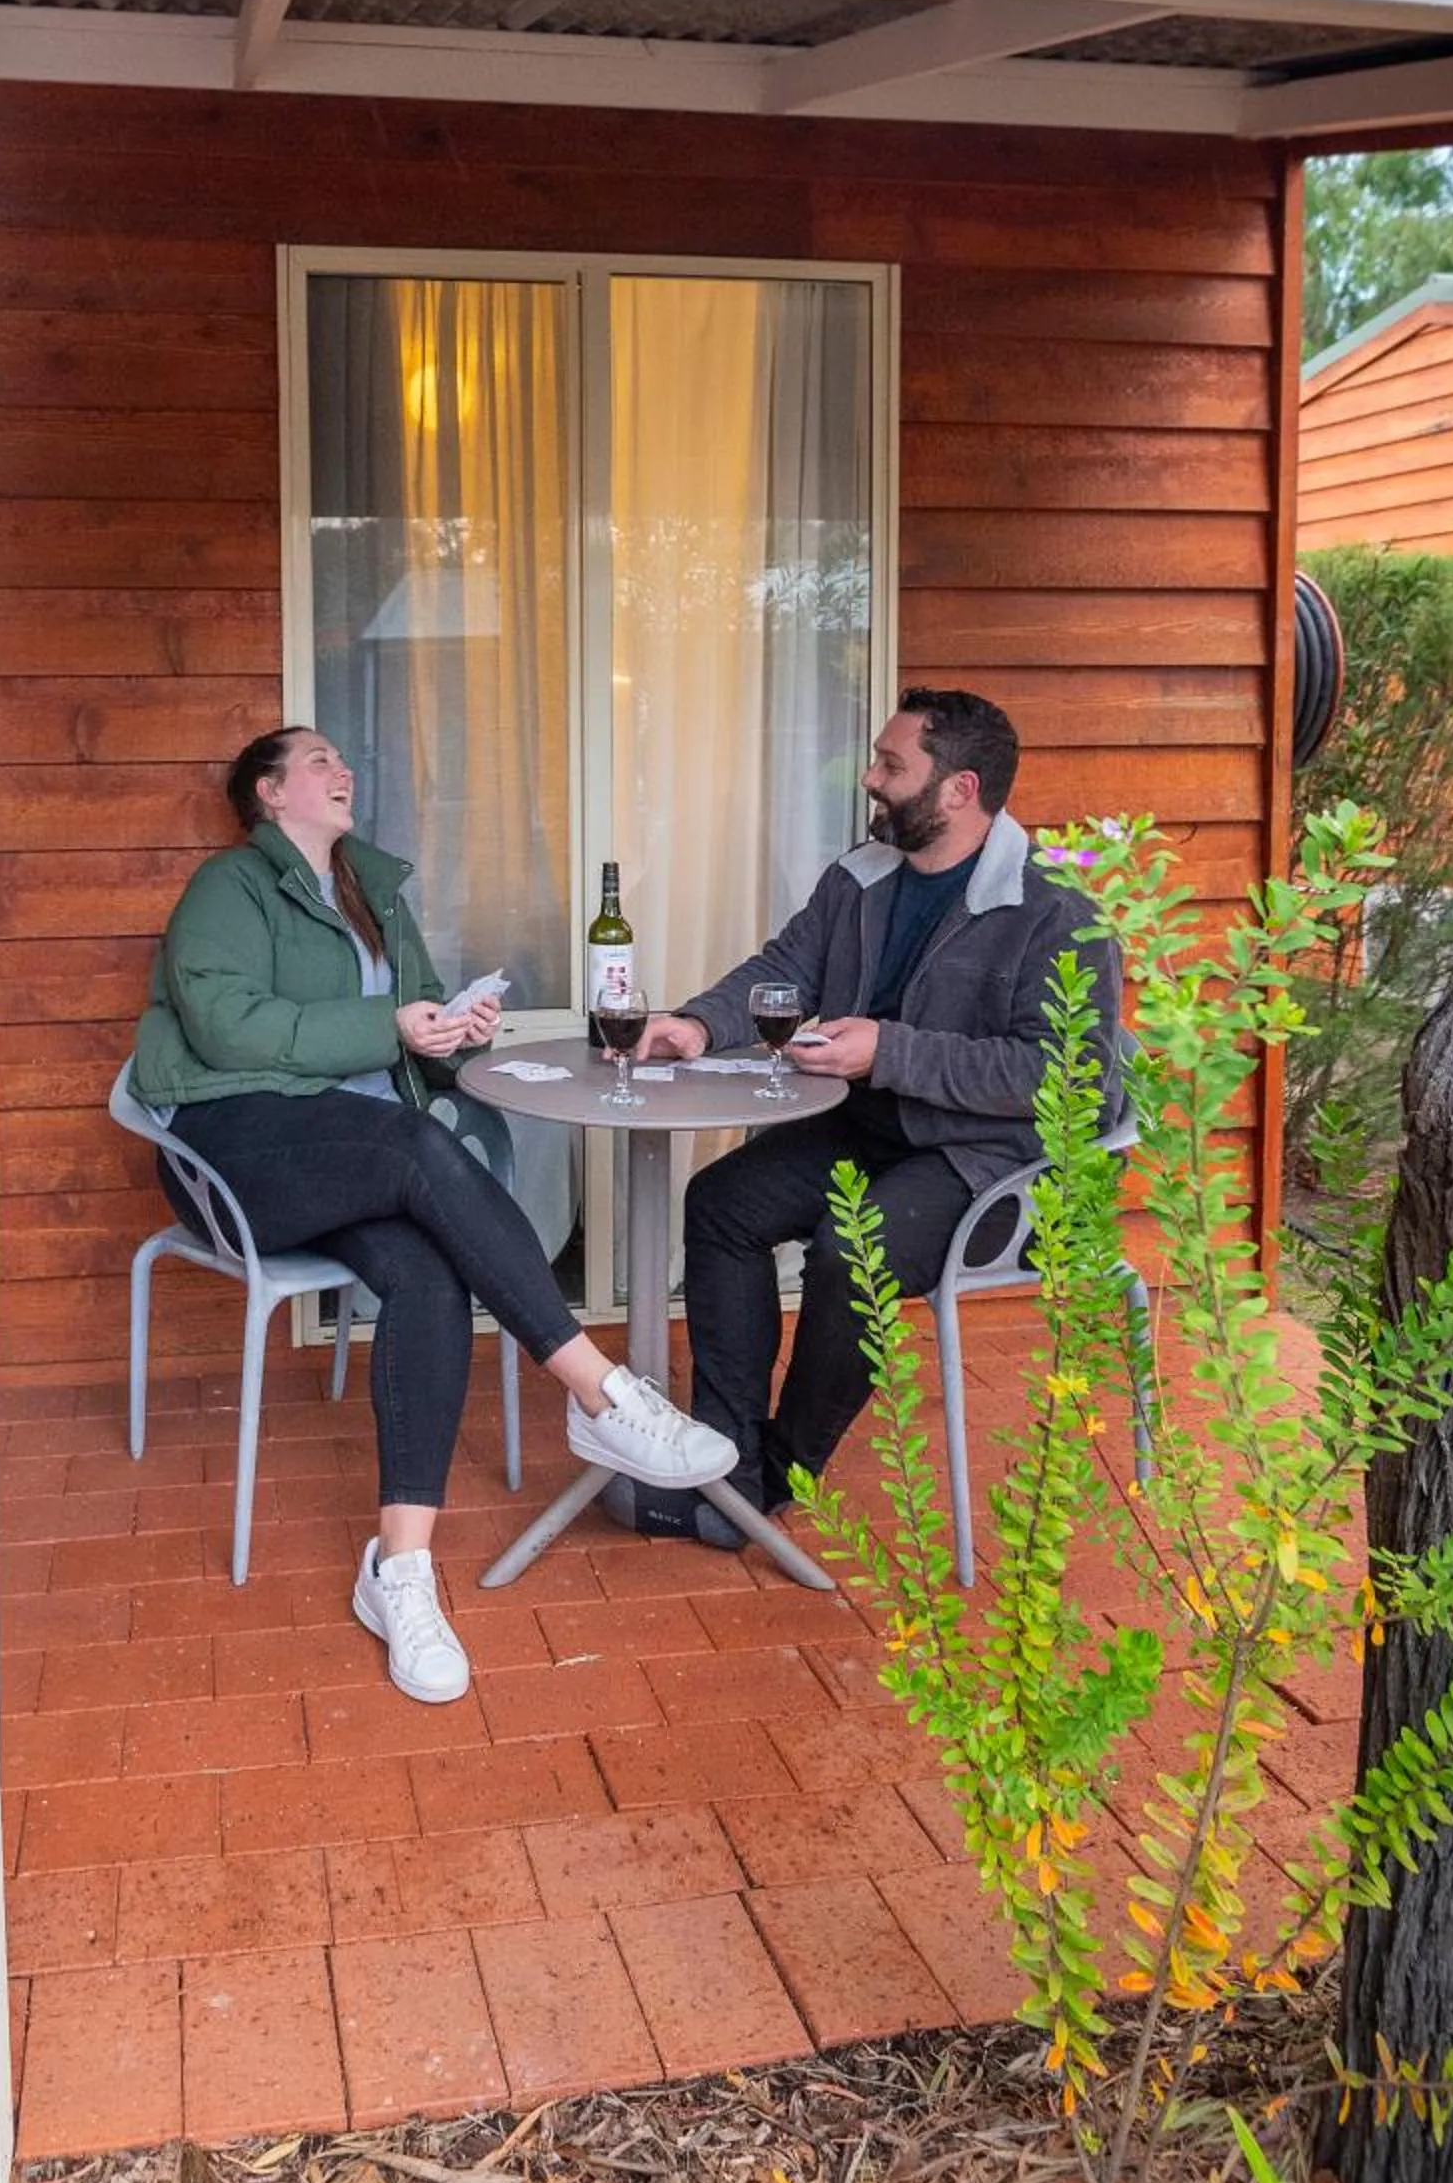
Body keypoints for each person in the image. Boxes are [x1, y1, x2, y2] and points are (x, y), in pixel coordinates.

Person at [132, 726, 740, 1701]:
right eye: (320, 761)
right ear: (269, 792)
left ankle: (399, 1572)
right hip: (238, 1148)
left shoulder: (370, 892)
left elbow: (408, 1026)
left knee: (427, 1274)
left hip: (354, 1155)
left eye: (344, 761)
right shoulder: (229, 889)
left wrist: (450, 1035)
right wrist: (389, 1028)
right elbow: (223, 1022)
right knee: (420, 1149)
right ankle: (600, 1394)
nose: (344, 773)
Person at [614, 686, 1119, 1549]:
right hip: (864, 1127)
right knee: (720, 1206)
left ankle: (780, 1474)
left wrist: (890, 1051)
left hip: (984, 1163)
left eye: (892, 766)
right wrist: (698, 1024)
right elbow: (785, 968)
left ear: (959, 789)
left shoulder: (1056, 913)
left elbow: (1073, 1081)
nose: (869, 778)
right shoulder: (862, 876)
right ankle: (726, 1467)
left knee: (854, 1249)